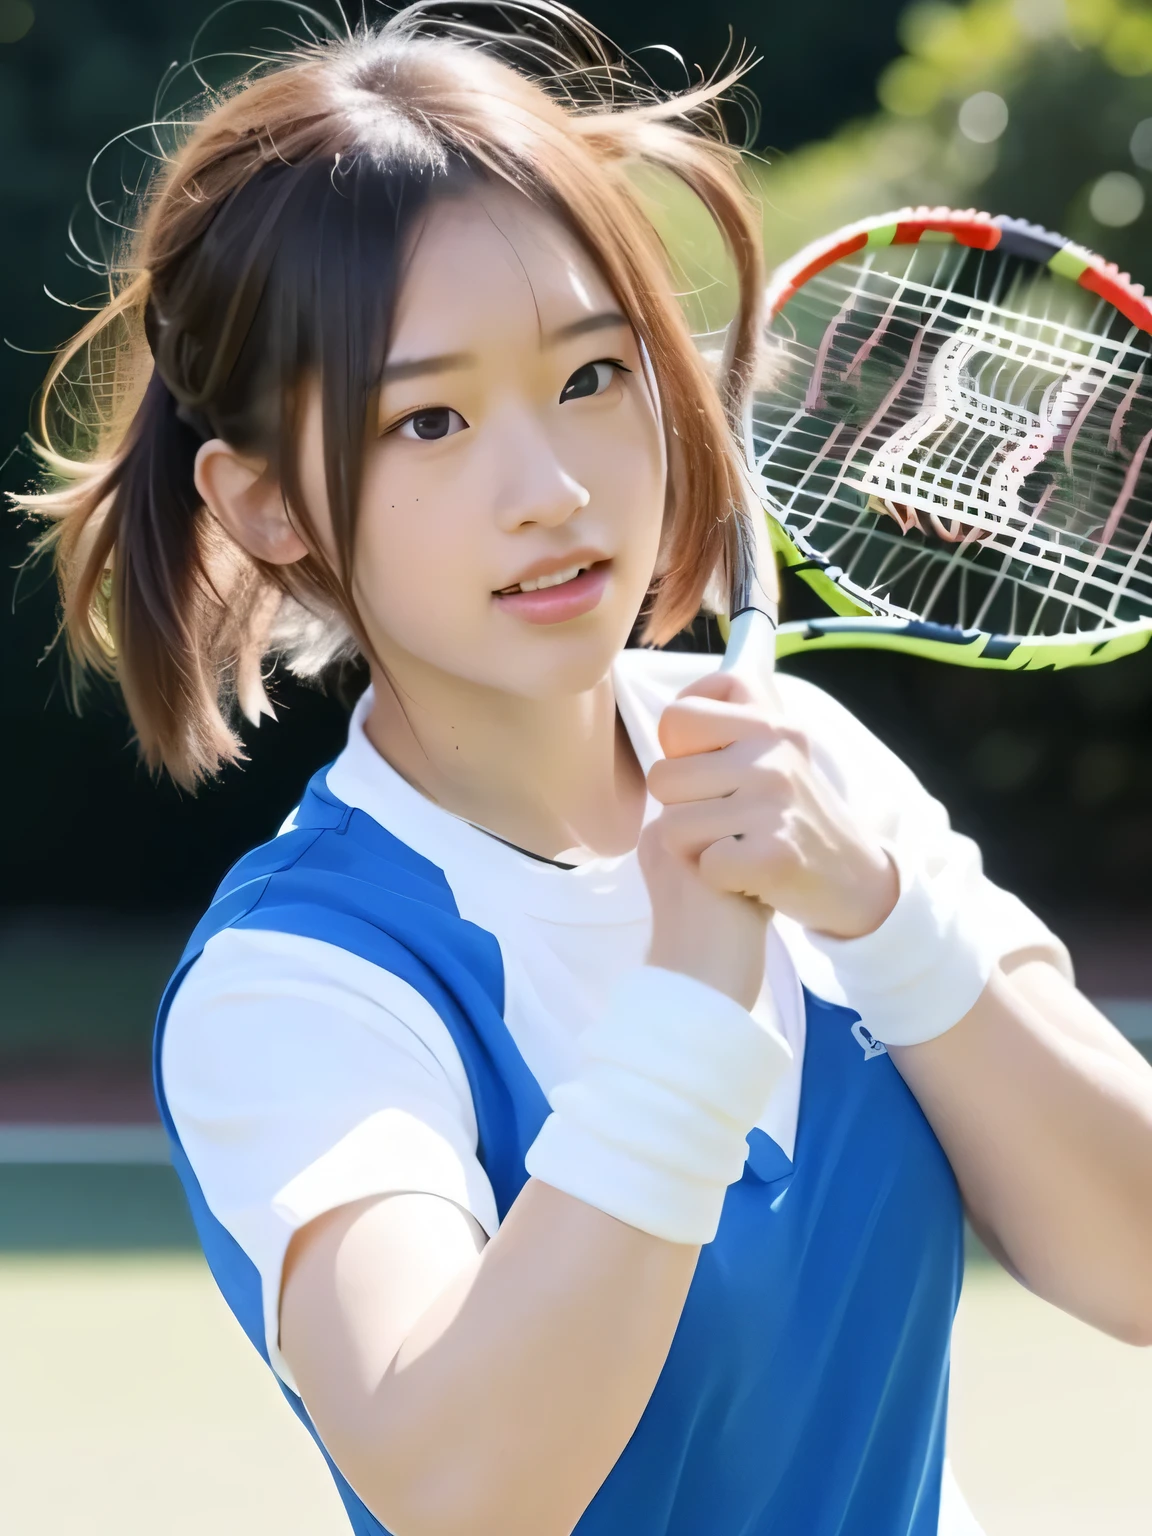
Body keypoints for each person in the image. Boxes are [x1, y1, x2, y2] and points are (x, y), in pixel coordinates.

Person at [18, 6, 1152, 1533]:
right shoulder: (296, 984)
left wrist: (886, 914)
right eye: (429, 419)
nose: (548, 490)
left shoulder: (812, 775)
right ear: (271, 502)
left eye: (591, 378)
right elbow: (467, 1487)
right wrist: (691, 997)